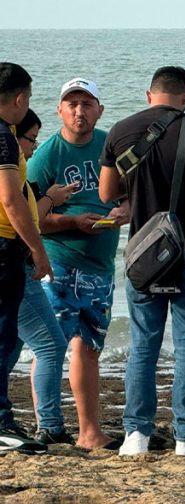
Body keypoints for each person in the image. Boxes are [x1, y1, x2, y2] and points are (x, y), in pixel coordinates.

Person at [98, 66, 185, 457]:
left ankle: (135, 436)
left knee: (144, 345)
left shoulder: (121, 130)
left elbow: (108, 192)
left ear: (148, 95)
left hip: (144, 253)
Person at [28, 79, 128, 450]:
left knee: (88, 346)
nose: (79, 111)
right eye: (71, 104)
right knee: (51, 345)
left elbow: (133, 192)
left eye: (87, 103)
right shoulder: (47, 155)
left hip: (100, 264)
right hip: (59, 260)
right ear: (59, 110)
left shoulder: (110, 145)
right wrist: (72, 221)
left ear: (100, 109)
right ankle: (48, 425)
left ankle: (89, 432)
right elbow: (30, 216)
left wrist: (125, 211)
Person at [5, 109, 76, 445]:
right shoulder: (9, 170)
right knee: (51, 344)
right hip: (14, 263)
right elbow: (16, 209)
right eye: (30, 139)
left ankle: (11, 420)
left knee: (13, 344)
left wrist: (48, 198)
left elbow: (27, 208)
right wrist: (38, 252)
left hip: (15, 261)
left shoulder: (19, 179)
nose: (33, 148)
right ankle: (49, 425)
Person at [0, 62, 52, 454]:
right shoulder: (3, 135)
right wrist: (36, 249)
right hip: (4, 245)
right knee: (4, 336)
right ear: (19, 99)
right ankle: (1, 422)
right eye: (29, 99)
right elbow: (10, 198)